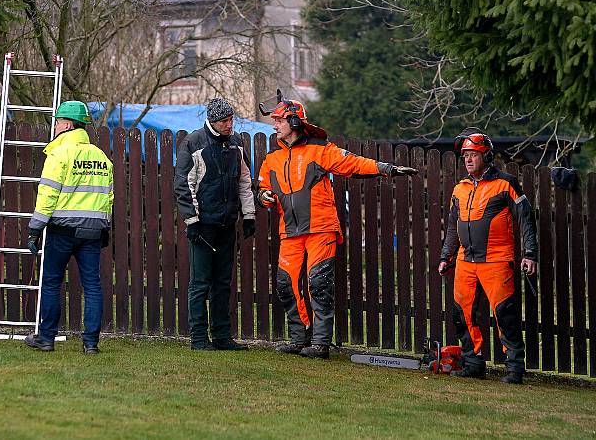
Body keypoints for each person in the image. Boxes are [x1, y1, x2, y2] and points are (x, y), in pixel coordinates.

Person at [257, 96, 416, 358]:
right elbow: (263, 188)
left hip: (321, 228)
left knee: (318, 283)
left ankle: (320, 343)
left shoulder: (320, 150)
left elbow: (353, 163)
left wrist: (386, 168)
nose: (275, 125)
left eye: (279, 120)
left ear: (294, 122)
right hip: (290, 231)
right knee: (286, 284)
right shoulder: (272, 159)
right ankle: (300, 338)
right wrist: (263, 197)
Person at [439, 127, 538, 384]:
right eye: (465, 156)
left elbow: (525, 218)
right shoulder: (458, 189)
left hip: (497, 260)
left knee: (505, 315)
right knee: (463, 315)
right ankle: (473, 363)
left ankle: (514, 369)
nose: (468, 159)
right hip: (465, 261)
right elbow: (452, 226)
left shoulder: (505, 184)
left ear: (486, 156)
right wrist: (445, 255)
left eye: (473, 154)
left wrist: (530, 254)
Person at [23, 101, 113, 355]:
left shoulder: (59, 155)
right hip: (93, 232)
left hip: (62, 230)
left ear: (67, 125)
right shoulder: (101, 157)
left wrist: (35, 229)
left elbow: (47, 195)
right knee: (92, 286)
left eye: (57, 122)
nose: (54, 126)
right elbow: (109, 197)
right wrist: (104, 226)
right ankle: (91, 343)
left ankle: (46, 338)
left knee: (51, 282)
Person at [174, 97, 256, 351]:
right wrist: (192, 221)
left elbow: (244, 181)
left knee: (223, 282)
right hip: (203, 225)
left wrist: (249, 215)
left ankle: (221, 336)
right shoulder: (193, 142)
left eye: (231, 119)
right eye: (224, 121)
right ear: (212, 120)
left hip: (227, 223)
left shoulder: (236, 144)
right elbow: (183, 186)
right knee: (200, 282)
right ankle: (198, 338)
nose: (229, 124)